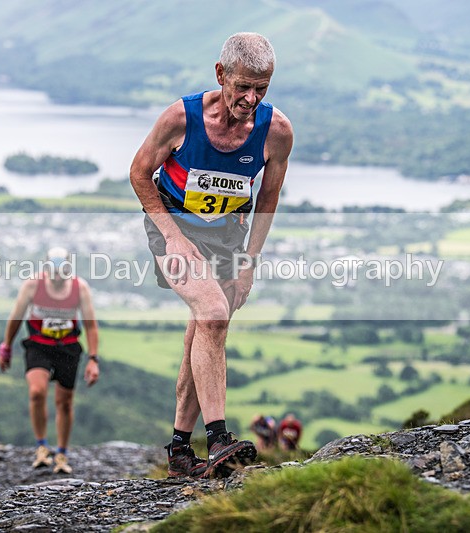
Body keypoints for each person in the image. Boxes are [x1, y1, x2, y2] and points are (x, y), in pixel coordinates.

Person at [130, 32, 293, 478]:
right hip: (173, 228)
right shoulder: (180, 119)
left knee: (202, 332)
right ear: (220, 74)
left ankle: (180, 447)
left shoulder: (275, 132)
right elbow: (139, 173)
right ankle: (219, 437)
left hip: (227, 238)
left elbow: (269, 199)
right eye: (242, 86)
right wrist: (173, 237)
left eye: (262, 88)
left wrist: (249, 263)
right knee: (214, 312)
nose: (250, 98)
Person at [0, 246, 100, 474]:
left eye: (60, 270)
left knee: (64, 402)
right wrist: (6, 347)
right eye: (51, 271)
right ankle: (42, 447)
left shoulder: (79, 288)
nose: (56, 276)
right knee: (37, 392)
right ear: (45, 269)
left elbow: (91, 325)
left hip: (68, 347)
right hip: (38, 345)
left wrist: (93, 359)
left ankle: (62, 452)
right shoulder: (32, 286)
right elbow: (16, 318)